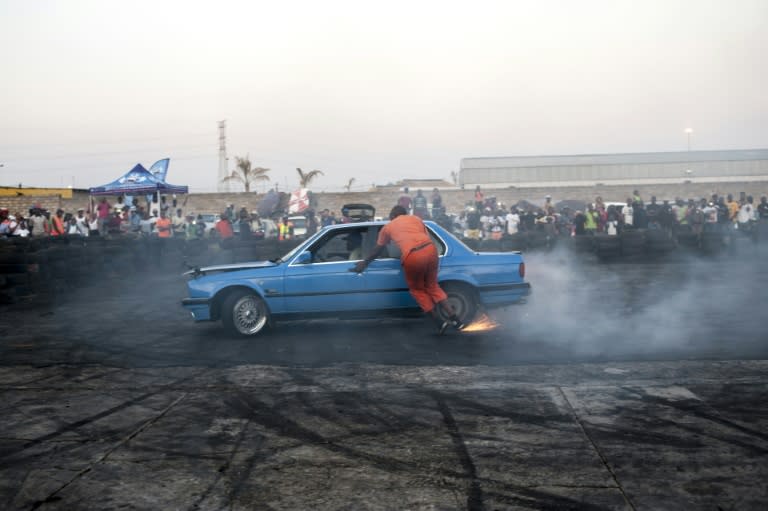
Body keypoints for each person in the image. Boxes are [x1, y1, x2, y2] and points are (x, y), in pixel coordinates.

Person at [351, 205, 464, 334]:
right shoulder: (416, 219)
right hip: (431, 250)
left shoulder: (388, 227)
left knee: (417, 289)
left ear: (392, 216)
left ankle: (439, 322)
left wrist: (365, 263)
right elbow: (423, 237)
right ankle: (456, 320)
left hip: (413, 255)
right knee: (432, 286)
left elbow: (378, 249)